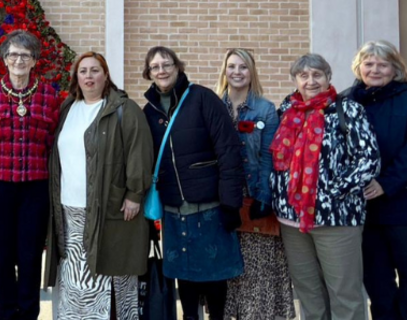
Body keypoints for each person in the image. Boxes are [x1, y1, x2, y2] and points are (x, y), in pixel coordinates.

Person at [270, 53, 380, 320]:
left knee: (344, 295)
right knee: (309, 295)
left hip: (337, 219)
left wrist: (332, 192)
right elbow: (274, 160)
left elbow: (369, 159)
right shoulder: (286, 111)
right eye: (304, 75)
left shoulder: (348, 110)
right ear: (295, 80)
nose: (311, 81)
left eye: (317, 75)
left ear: (328, 77)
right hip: (291, 221)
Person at [45, 51, 152, 320]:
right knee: (75, 280)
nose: (89, 76)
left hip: (109, 208)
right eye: (83, 71)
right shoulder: (68, 108)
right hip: (70, 210)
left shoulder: (123, 110)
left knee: (110, 277)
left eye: (95, 70)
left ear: (106, 75)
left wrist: (134, 194)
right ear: (76, 77)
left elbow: (139, 153)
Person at [0, 30, 61, 320]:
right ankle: (7, 314)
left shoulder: (48, 96)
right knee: (3, 258)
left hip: (35, 189)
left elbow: (53, 146)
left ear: (34, 62)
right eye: (14, 54)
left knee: (30, 257)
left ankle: (28, 314)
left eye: (25, 55)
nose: (19, 60)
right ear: (5, 59)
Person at [141, 46, 244, 320]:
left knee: (214, 280)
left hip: (209, 208)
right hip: (174, 211)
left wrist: (231, 203)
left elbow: (228, 150)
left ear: (178, 67)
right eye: (155, 67)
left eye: (167, 64)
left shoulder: (202, 98)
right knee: (184, 280)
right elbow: (146, 161)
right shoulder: (148, 111)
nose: (161, 70)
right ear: (149, 73)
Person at [341, 40, 407, 320]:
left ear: (395, 69)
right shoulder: (346, 101)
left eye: (382, 64)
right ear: (358, 67)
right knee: (379, 289)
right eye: (368, 64)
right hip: (367, 214)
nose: (375, 69)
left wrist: (386, 182)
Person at [216, 48, 294, 320]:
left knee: (256, 272)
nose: (237, 72)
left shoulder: (265, 109)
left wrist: (264, 197)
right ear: (224, 71)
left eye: (243, 67)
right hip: (221, 201)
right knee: (226, 272)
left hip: (253, 200)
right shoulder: (213, 105)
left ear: (252, 72)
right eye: (232, 66)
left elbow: (267, 157)